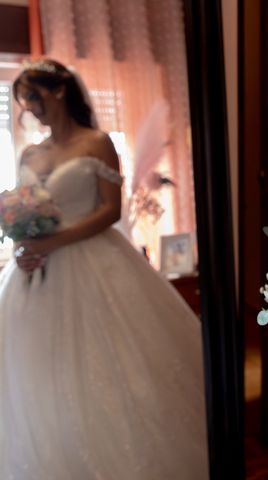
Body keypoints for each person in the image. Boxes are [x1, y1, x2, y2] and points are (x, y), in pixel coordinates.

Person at [0, 59, 208, 479]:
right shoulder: (30, 151)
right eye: (24, 103)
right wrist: (23, 244)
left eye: (35, 97)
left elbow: (110, 210)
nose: (31, 109)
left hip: (92, 258)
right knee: (36, 373)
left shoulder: (96, 142)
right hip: (33, 273)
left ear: (58, 91)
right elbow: (24, 209)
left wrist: (53, 241)